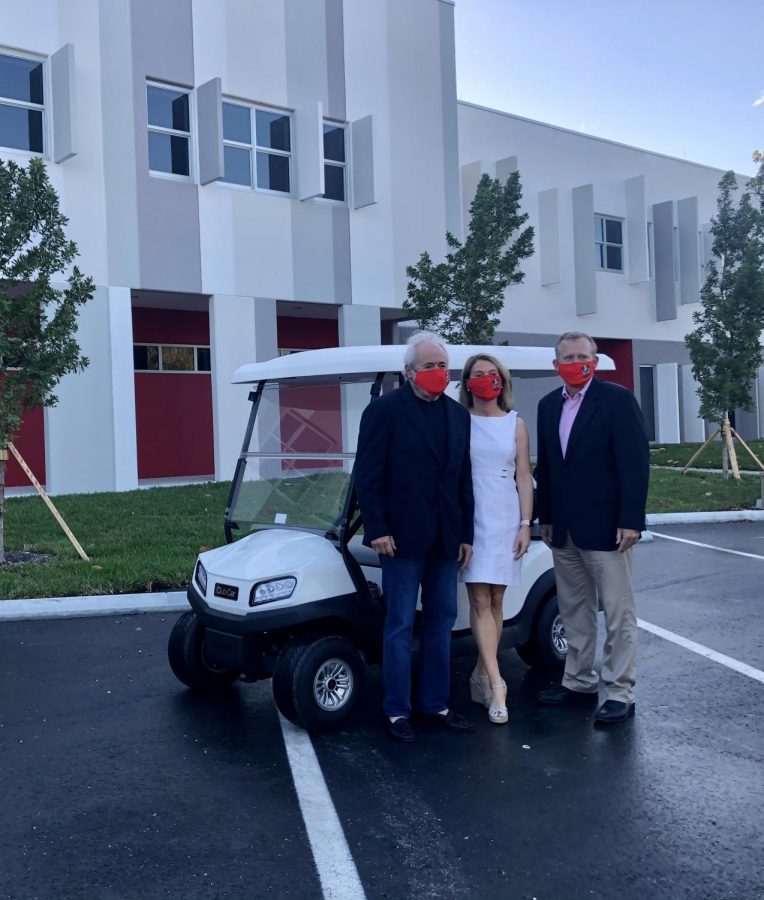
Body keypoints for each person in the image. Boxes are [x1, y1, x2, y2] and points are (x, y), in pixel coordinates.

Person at [354, 331, 475, 742]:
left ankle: (435, 704)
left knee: (442, 620)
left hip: (445, 539)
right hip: (400, 540)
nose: (439, 373)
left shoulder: (459, 416)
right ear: (409, 373)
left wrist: (466, 535)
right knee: (400, 623)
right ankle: (396, 711)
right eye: (430, 367)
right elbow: (367, 477)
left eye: (443, 366)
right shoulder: (384, 412)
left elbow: (463, 481)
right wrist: (377, 529)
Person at [535, 331, 649, 724]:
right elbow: (548, 467)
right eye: (568, 357)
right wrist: (544, 516)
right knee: (574, 611)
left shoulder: (617, 401)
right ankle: (579, 681)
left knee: (618, 613)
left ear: (595, 361)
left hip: (607, 530)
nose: (576, 362)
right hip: (564, 530)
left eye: (584, 356)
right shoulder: (549, 405)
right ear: (556, 365)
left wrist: (631, 520)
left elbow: (634, 463)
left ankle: (620, 691)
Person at [458, 354, 533, 725]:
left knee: (498, 597)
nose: (487, 380)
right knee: (479, 597)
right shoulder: (458, 421)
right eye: (479, 375)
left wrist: (525, 523)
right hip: (472, 515)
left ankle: (480, 675)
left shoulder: (515, 424)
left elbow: (523, 475)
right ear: (467, 382)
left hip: (506, 515)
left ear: (502, 380)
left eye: (493, 374)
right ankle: (497, 682)